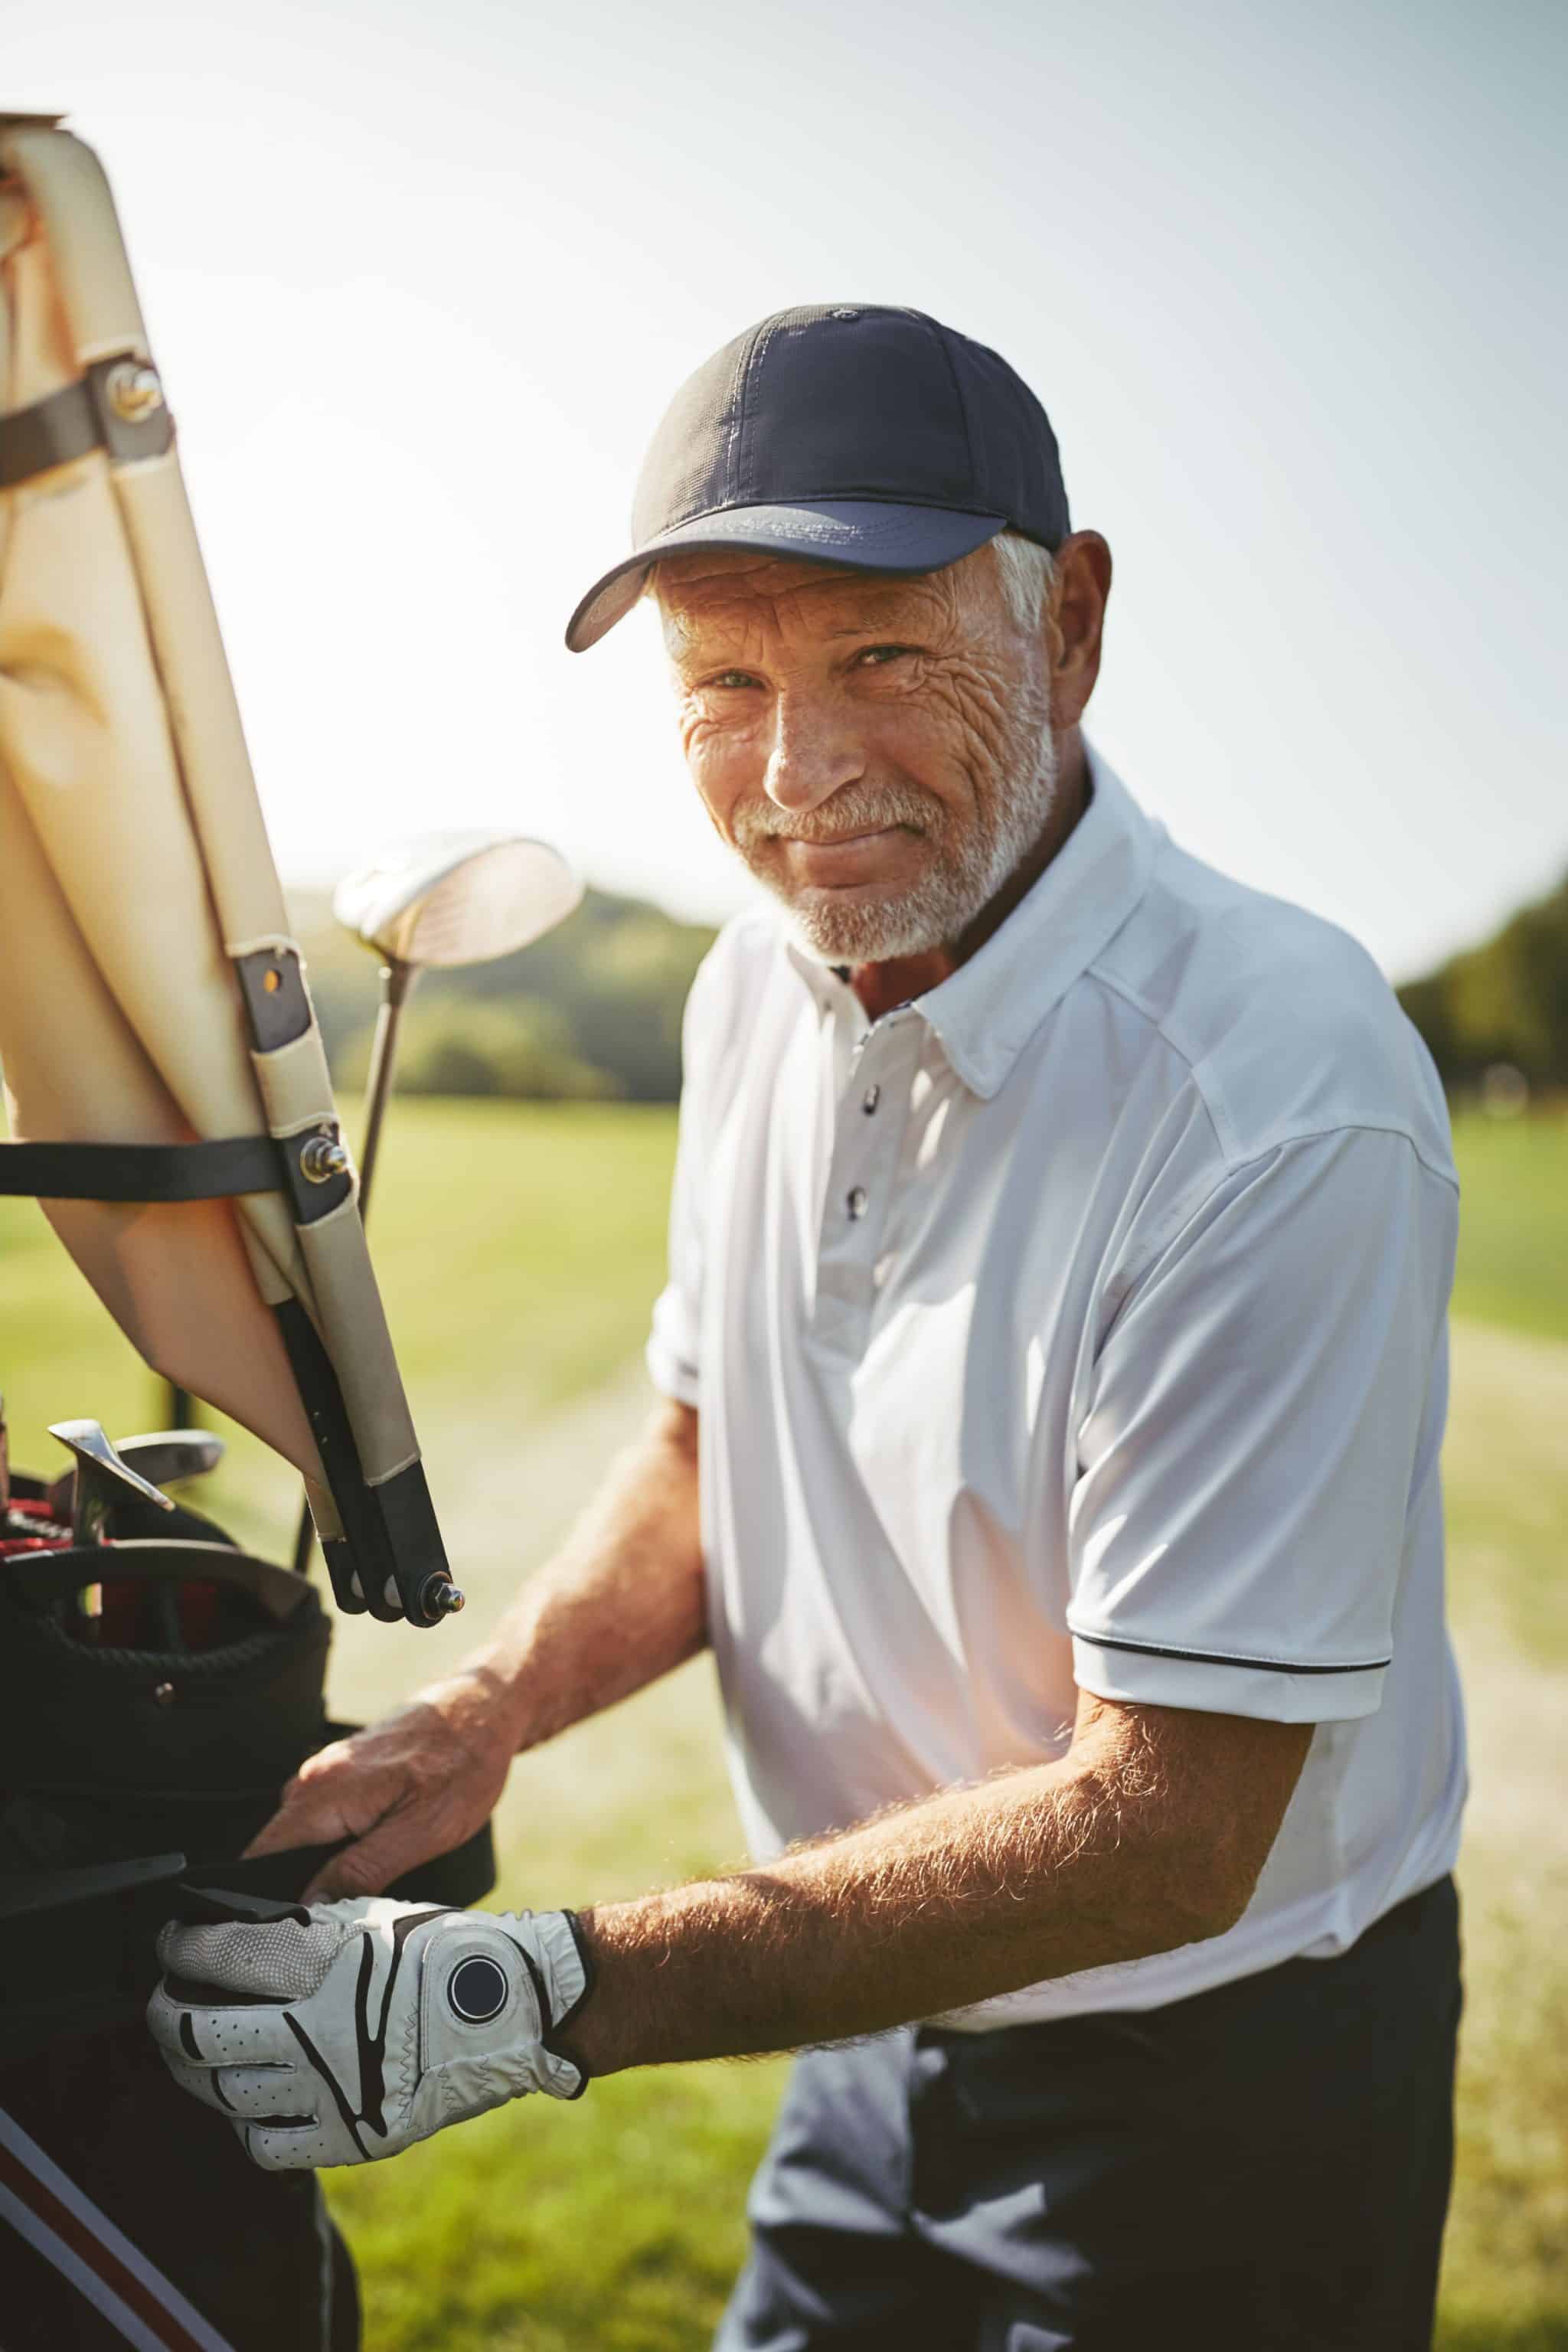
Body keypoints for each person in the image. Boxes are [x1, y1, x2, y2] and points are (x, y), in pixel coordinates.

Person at [150, 305, 1467, 2350]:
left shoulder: (1276, 1087)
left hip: (1215, 2084)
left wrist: (533, 1994)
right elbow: (709, 1444)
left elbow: (1174, 1834)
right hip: (859, 1997)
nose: (796, 778)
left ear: (1075, 623)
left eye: (879, 660)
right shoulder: (756, 987)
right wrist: (479, 1717)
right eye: (723, 683)